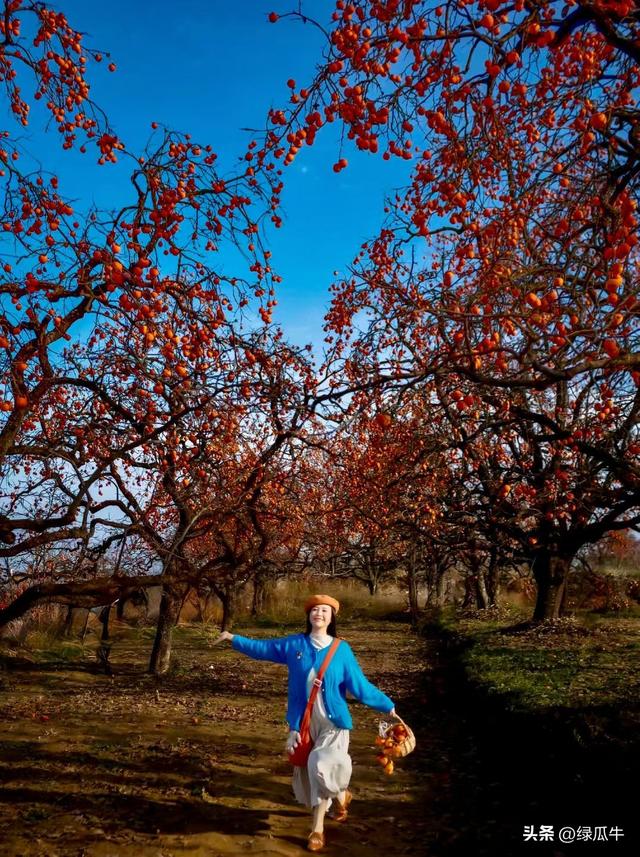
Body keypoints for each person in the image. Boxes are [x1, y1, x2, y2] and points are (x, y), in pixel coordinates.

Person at [213, 593, 398, 852]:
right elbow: (263, 649)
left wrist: (387, 705)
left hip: (334, 725)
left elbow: (359, 686)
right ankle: (342, 795)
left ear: (332, 617)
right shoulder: (295, 645)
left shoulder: (341, 650)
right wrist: (233, 638)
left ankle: (317, 828)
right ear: (309, 616)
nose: (318, 614)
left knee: (322, 765)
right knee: (313, 777)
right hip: (305, 723)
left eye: (324, 610)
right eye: (314, 610)